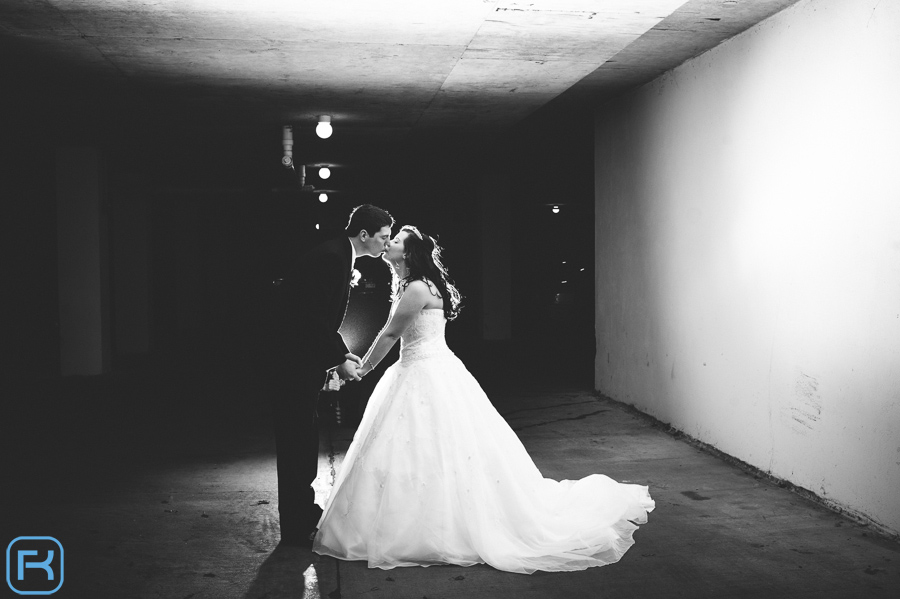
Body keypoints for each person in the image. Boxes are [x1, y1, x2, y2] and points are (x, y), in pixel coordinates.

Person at [312, 226, 655, 574]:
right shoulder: (410, 285)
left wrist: (361, 370)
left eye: (395, 240)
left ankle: (434, 527)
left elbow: (390, 334)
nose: (388, 243)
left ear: (409, 253)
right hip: (422, 370)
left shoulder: (416, 288)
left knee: (431, 448)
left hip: (425, 373)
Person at [266, 204, 394, 547]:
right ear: (364, 235)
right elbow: (309, 318)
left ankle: (302, 515)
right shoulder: (332, 258)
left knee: (302, 440)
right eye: (383, 237)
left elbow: (318, 316)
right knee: (297, 442)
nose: (387, 243)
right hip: (292, 365)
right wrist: (339, 360)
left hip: (298, 362)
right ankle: (296, 525)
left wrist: (340, 352)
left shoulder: (337, 254)